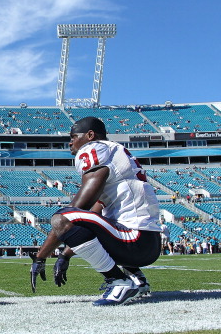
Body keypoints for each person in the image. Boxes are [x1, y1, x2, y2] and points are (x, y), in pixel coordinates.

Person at [30, 117, 161, 306]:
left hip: (135, 239)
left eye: (74, 136)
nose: (70, 142)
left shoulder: (96, 148)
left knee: (62, 217)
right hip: (146, 244)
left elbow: (76, 210)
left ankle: (118, 281)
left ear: (90, 135)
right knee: (93, 220)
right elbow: (94, 219)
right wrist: (65, 254)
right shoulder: (117, 158)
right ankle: (136, 278)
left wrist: (41, 257)